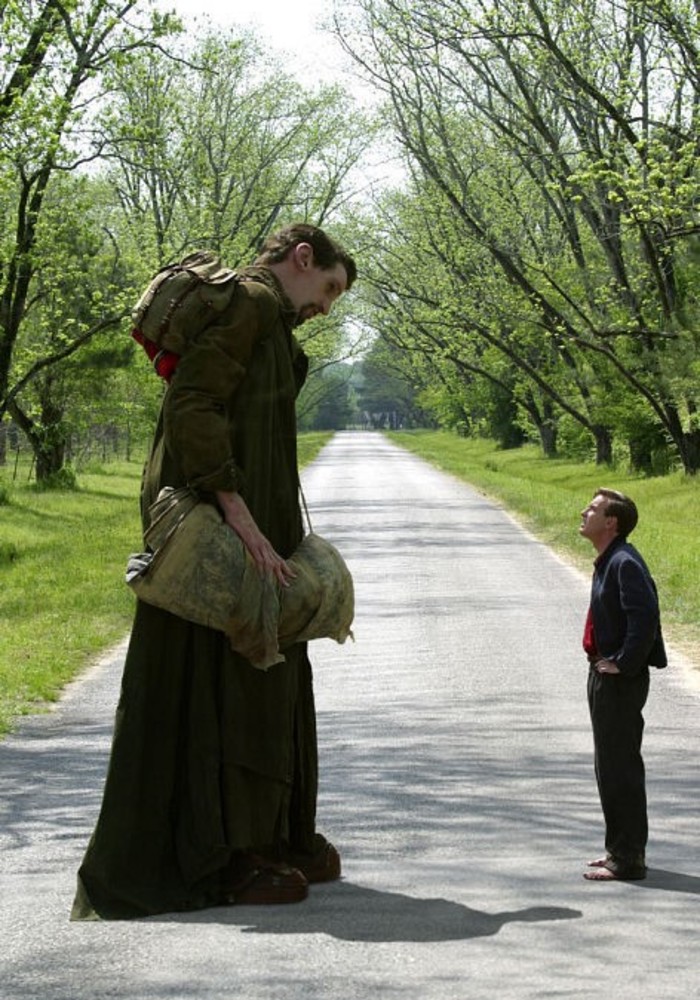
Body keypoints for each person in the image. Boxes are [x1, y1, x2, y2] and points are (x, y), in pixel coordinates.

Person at [72, 223, 357, 919]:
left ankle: (274, 836)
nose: (327, 307)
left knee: (265, 664)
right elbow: (192, 405)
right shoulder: (249, 306)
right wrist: (239, 513)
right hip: (221, 516)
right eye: (328, 288)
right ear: (300, 259)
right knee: (223, 675)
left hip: (255, 518)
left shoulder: (269, 320)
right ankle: (224, 853)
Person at [579, 488, 666, 882]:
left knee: (621, 769)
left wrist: (624, 663)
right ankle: (619, 850)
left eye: (594, 509)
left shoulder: (624, 562)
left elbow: (645, 616)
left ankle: (629, 860)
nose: (585, 512)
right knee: (609, 767)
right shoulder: (611, 559)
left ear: (611, 522)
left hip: (618, 681)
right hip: (603, 675)